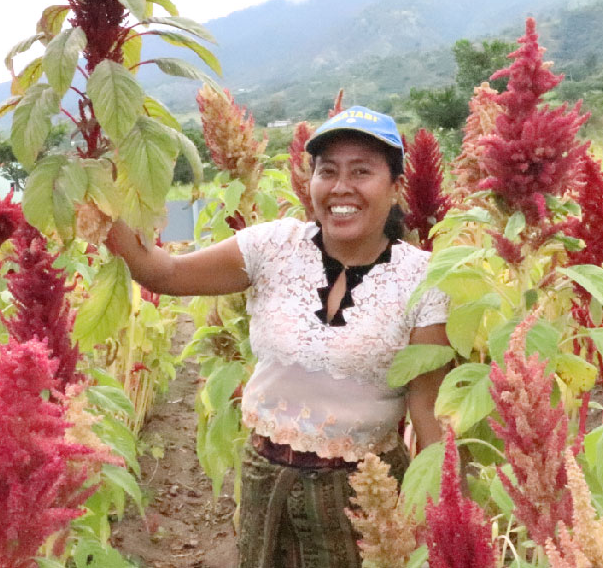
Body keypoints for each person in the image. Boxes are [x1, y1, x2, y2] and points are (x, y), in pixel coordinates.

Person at [106, 106, 450, 567]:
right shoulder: (272, 246)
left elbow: (428, 412)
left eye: (362, 171)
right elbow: (162, 273)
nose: (341, 187)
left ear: (395, 188)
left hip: (367, 495)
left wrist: (449, 522)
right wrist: (100, 188)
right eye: (327, 171)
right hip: (265, 481)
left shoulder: (424, 279)